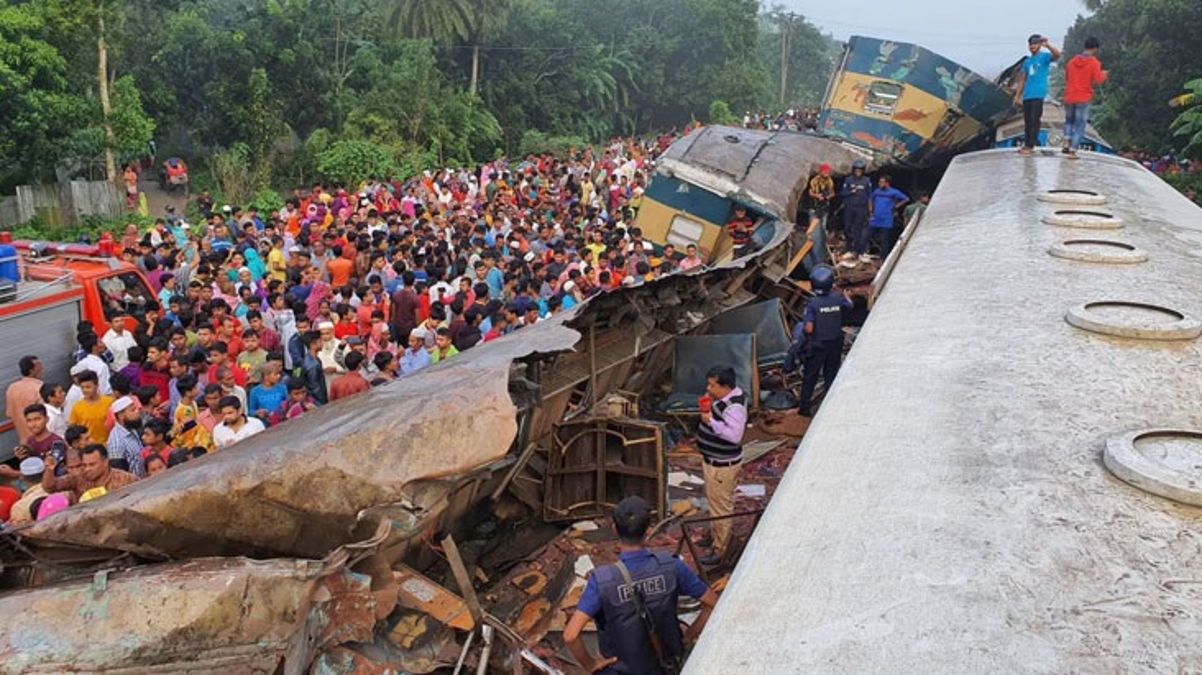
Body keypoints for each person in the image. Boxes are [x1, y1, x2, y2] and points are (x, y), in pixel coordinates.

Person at [564, 496, 719, 675]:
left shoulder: (601, 580)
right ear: (648, 531)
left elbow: (570, 636)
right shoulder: (672, 566)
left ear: (615, 529)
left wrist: (590, 665)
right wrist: (687, 637)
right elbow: (713, 603)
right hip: (666, 666)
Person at [694, 365, 747, 567]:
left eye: (712, 385)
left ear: (725, 387)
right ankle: (715, 536)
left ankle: (720, 549)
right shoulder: (726, 399)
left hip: (722, 465)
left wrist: (710, 422)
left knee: (721, 508)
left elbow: (734, 436)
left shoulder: (734, 407)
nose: (708, 388)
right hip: (713, 461)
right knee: (716, 503)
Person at [796, 267, 853, 417]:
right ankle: (830, 408)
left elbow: (808, 328)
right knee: (831, 375)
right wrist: (846, 296)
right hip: (835, 342)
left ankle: (804, 409)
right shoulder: (838, 298)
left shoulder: (813, 303)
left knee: (810, 377)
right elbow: (849, 307)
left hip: (817, 345)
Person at [1012, 34, 1061, 156]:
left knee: (1035, 119)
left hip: (1038, 93)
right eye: (1030, 44)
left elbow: (1057, 55)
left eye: (1035, 43)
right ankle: (1027, 144)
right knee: (1028, 121)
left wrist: (1048, 45)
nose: (1032, 46)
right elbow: (1022, 79)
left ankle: (1030, 145)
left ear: (1039, 45)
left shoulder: (1044, 57)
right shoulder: (1027, 62)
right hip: (1027, 94)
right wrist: (1017, 96)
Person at [42, 443, 138, 502]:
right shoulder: (78, 479)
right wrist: (49, 468)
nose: (87, 469)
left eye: (92, 465)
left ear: (105, 462)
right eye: (84, 465)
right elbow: (49, 487)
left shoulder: (127, 480)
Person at [1062, 37, 1107, 159]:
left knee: (1069, 121)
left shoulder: (1071, 62)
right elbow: (1098, 80)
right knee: (1080, 124)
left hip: (1069, 96)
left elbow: (1066, 77)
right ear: (1095, 49)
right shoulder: (1094, 63)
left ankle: (1066, 141)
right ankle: (1073, 151)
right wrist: (1104, 74)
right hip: (1083, 97)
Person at [864, 175, 909, 260]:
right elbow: (870, 199)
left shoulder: (894, 192)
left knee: (884, 240)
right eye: (879, 182)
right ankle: (863, 252)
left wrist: (896, 206)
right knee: (866, 235)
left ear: (887, 183)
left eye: (882, 182)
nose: (879, 184)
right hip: (875, 219)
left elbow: (906, 199)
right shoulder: (877, 191)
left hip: (886, 220)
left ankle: (883, 258)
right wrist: (870, 210)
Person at [839, 160, 872, 266]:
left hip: (861, 208)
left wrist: (869, 209)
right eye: (856, 170)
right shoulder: (848, 180)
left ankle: (858, 251)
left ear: (863, 171)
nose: (858, 172)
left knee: (858, 229)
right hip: (849, 207)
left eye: (860, 170)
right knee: (847, 228)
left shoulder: (867, 181)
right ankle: (849, 249)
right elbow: (842, 193)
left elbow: (870, 196)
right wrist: (851, 192)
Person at [67, 370, 114, 444]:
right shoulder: (77, 407)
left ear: (97, 385)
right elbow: (72, 427)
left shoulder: (110, 402)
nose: (85, 390)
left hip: (109, 444)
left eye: (88, 387)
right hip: (88, 447)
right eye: (82, 387)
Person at [5, 355, 44, 443]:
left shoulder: (11, 388)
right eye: (39, 366)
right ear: (31, 371)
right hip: (42, 441)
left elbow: (10, 414)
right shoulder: (39, 388)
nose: (42, 368)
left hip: (24, 442)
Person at [106, 396, 147, 478]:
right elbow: (119, 474)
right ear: (121, 416)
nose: (137, 412)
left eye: (136, 409)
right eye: (133, 410)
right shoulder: (116, 442)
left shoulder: (132, 428)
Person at [8, 457, 49, 525]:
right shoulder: (63, 490)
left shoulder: (19, 507)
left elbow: (19, 531)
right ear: (45, 472)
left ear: (22, 477)